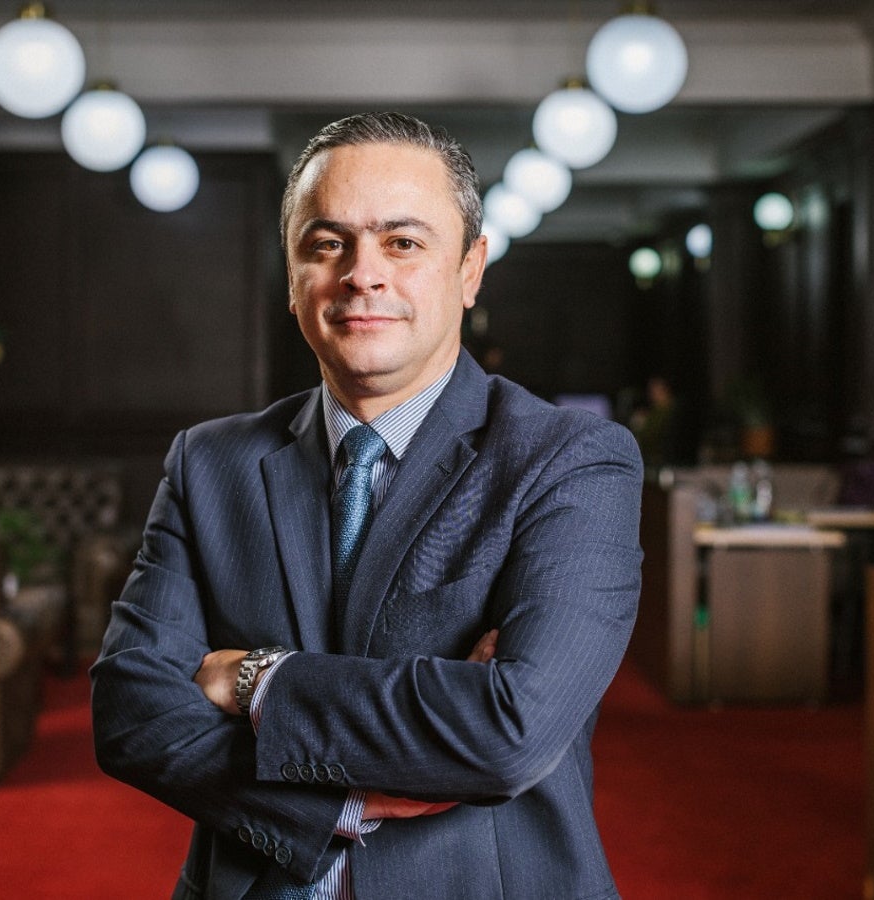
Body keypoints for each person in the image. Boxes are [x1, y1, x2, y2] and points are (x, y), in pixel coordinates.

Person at [91, 112, 643, 900]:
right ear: (292, 277)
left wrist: (257, 680)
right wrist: (333, 804)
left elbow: (509, 731)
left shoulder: (571, 461)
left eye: (403, 242)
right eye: (327, 244)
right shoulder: (209, 462)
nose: (362, 274)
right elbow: (130, 711)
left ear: (470, 270)